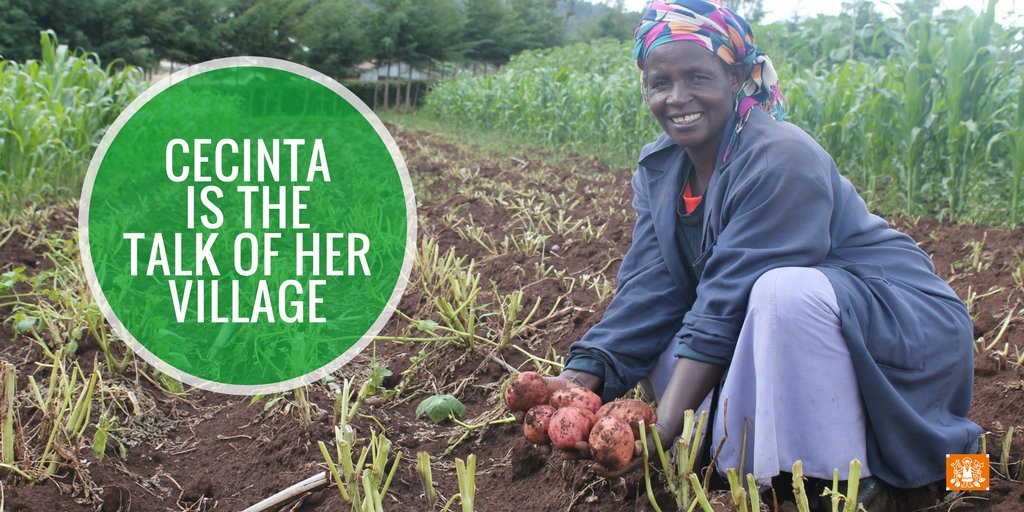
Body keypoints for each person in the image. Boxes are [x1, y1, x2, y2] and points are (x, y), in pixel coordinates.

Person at [550, 0, 980, 508]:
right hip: (791, 328)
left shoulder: (781, 156)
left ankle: (851, 488)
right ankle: (756, 473)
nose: (677, 97)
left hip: (900, 325)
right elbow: (651, 286)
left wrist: (664, 426)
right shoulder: (660, 169)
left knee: (781, 291)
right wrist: (577, 381)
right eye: (659, 82)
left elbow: (727, 303)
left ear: (735, 78)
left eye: (696, 77)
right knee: (672, 332)